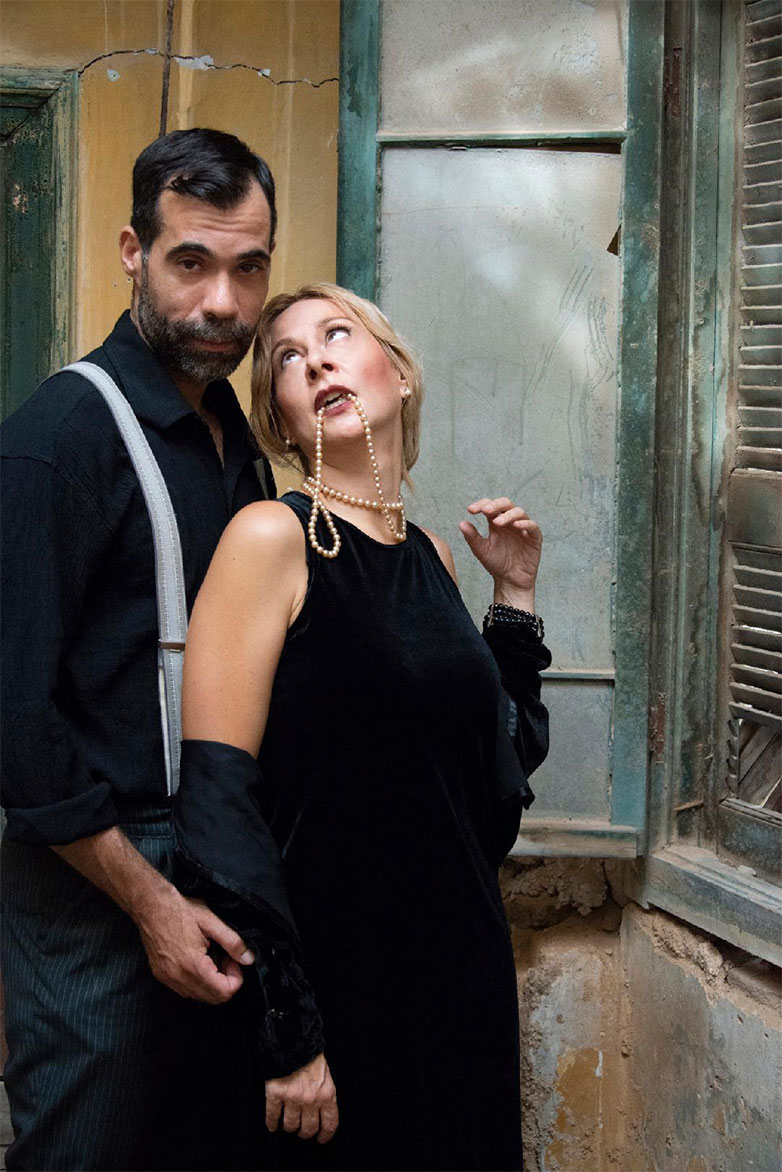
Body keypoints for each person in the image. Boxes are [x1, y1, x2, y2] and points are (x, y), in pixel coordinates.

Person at [173, 281, 552, 1171]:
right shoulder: (268, 537)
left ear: (400, 374)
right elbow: (219, 801)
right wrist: (288, 1030)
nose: (316, 362)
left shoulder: (433, 558)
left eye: (336, 335)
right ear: (279, 417)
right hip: (336, 989)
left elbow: (490, 791)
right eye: (289, 360)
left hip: (459, 979)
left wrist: (515, 596)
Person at [0, 127, 279, 1172]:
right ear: (133, 251)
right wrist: (151, 900)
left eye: (248, 268)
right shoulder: (58, 438)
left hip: (223, 848)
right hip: (98, 878)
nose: (223, 303)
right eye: (190, 263)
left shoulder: (236, 438)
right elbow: (14, 719)